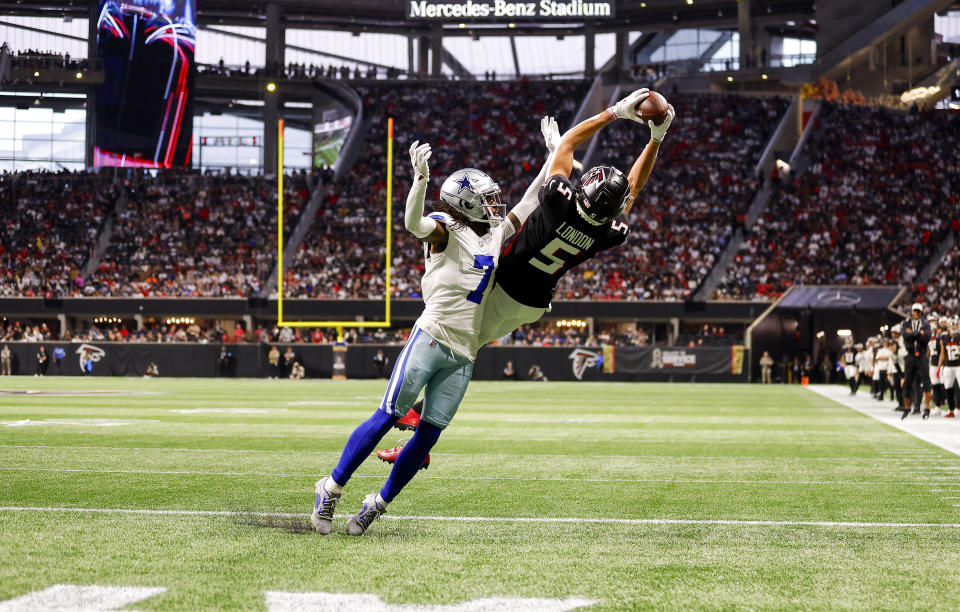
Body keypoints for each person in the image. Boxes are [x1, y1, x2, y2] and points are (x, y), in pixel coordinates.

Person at [310, 135, 541, 537]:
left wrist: (556, 153)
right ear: (466, 203)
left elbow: (530, 200)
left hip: (465, 352)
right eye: (486, 199)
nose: (494, 205)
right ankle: (330, 487)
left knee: (429, 434)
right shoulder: (446, 228)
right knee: (388, 416)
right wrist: (419, 179)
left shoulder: (494, 233)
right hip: (430, 337)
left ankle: (377, 504)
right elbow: (412, 223)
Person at [478, 89, 674, 348]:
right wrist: (656, 139)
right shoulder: (612, 230)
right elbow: (634, 186)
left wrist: (614, 112)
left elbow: (567, 144)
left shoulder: (558, 198)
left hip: (505, 289)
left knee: (464, 345)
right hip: (536, 305)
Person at [901, 303, 932, 418]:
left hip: (922, 354)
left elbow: (927, 338)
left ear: (921, 312)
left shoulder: (925, 323)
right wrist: (919, 334)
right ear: (912, 311)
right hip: (910, 355)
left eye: (918, 311)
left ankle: (927, 408)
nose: (916, 313)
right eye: (915, 311)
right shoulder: (906, 323)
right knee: (908, 381)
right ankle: (906, 408)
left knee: (926, 381)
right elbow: (905, 336)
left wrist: (913, 334)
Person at [938, 318, 960, 418]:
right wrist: (939, 367)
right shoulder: (944, 338)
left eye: (956, 325)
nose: (955, 327)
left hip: (959, 365)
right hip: (948, 366)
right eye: (953, 325)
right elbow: (942, 354)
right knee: (948, 387)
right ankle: (951, 410)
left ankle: (958, 408)